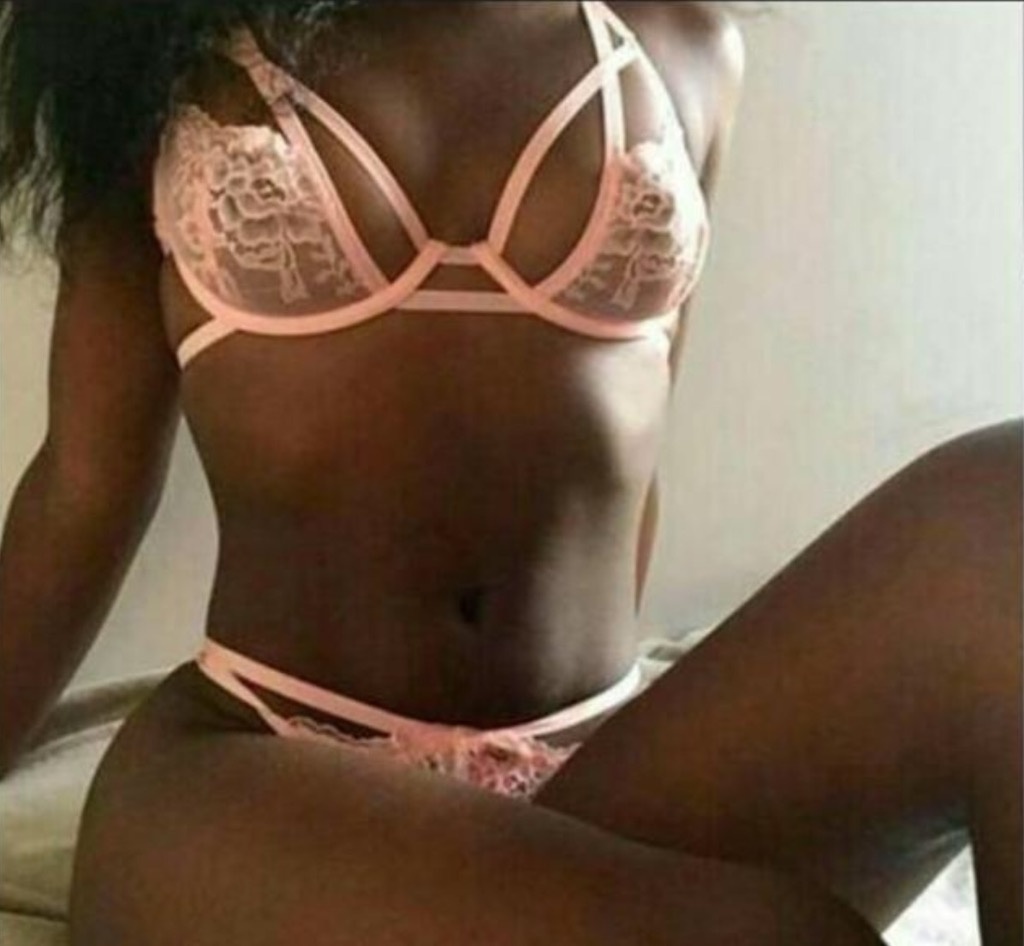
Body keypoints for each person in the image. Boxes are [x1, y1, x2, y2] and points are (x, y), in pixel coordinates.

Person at [0, 2, 1019, 943]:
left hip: (586, 772)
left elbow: (629, 447)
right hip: (262, 768)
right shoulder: (149, 51)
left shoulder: (684, 43)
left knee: (1002, 510)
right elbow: (83, 490)